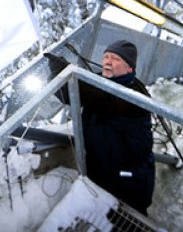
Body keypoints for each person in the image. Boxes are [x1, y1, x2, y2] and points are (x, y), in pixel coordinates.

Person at [48, 40, 155, 215]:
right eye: (106, 57)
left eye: (115, 59)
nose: (107, 62)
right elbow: (69, 94)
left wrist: (66, 71)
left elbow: (100, 97)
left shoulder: (136, 95)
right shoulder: (99, 80)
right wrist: (56, 74)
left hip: (129, 181)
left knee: (128, 222)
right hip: (101, 170)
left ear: (130, 69)